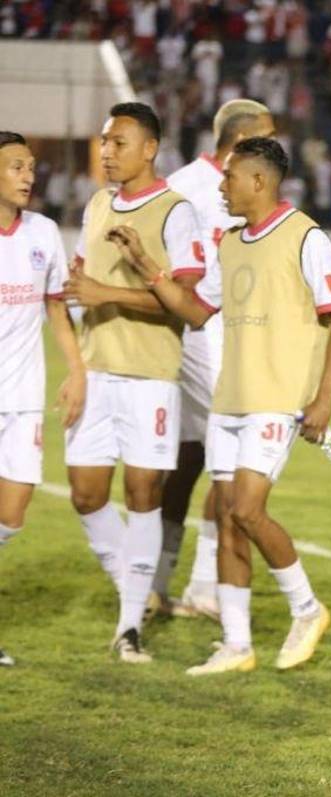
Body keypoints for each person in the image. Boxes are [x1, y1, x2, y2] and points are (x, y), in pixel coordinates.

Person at [113, 137, 331, 674]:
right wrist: (147, 265)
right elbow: (197, 311)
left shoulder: (304, 236)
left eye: (230, 178)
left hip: (277, 397)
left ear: (260, 181)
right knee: (226, 517)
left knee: (247, 508)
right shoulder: (229, 241)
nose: (221, 187)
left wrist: (325, 396)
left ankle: (307, 608)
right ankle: (237, 644)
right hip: (230, 397)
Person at [62, 103, 206, 663]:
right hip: (95, 375)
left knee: (143, 495)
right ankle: (139, 589)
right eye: (104, 141)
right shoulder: (97, 204)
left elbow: (187, 304)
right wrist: (74, 369)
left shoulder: (176, 212)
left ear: (150, 149)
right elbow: (79, 287)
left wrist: (108, 295)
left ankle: (129, 628)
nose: (106, 151)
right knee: (85, 495)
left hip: (150, 379)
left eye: (119, 142)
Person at [153, 99, 276, 620]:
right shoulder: (199, 188)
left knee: (189, 459)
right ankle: (205, 584)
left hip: (200, 332)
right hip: (205, 332)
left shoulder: (187, 182)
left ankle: (155, 582)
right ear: (241, 139)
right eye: (267, 135)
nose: (276, 145)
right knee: (235, 451)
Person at [0, 131, 87, 666]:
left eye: (30, 167)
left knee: (12, 514)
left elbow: (57, 307)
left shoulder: (44, 233)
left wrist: (77, 371)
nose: (28, 175)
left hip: (23, 396)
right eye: (15, 167)